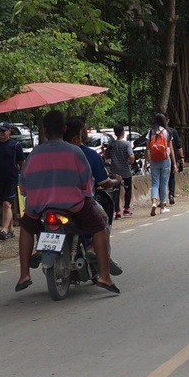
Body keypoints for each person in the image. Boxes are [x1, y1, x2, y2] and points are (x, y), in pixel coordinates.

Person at [14, 110, 118, 294]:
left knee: (26, 227)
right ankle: (104, 276)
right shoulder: (76, 152)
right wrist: (86, 197)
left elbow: (24, 185)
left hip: (40, 207)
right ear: (64, 129)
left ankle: (24, 275)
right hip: (73, 205)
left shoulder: (34, 154)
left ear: (45, 130)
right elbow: (88, 183)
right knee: (99, 227)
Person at [0, 122, 25, 240]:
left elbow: (21, 162)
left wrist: (24, 175)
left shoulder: (15, 145)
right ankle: (11, 229)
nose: (1, 133)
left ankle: (3, 229)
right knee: (4, 204)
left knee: (7, 204)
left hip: (11, 178)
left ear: (9, 131)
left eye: (3, 131)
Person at [145, 111, 175, 215]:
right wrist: (174, 163)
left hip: (154, 160)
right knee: (164, 184)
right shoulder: (168, 132)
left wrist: (146, 162)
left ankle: (153, 202)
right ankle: (162, 207)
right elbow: (170, 148)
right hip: (165, 160)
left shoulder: (150, 132)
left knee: (155, 183)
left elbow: (147, 148)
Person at [108, 124, 135, 216]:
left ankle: (117, 211)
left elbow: (107, 157)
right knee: (128, 190)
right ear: (123, 132)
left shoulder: (111, 144)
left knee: (116, 190)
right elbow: (131, 156)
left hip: (115, 171)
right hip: (126, 171)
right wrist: (130, 162)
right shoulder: (126, 144)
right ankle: (126, 208)